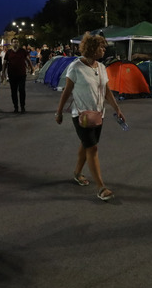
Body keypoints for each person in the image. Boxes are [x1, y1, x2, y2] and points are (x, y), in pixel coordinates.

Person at [54, 32, 125, 202]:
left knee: (86, 145)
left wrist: (117, 108)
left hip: (99, 114)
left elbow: (106, 91)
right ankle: (101, 187)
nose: (104, 50)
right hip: (81, 116)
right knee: (92, 148)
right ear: (92, 49)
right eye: (101, 47)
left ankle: (77, 173)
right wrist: (59, 112)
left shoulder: (101, 67)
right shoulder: (76, 67)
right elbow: (67, 90)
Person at [2, 38, 34, 113]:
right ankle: (15, 107)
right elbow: (5, 63)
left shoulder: (23, 51)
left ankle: (22, 106)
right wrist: (3, 72)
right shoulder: (9, 52)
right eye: (14, 42)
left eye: (17, 42)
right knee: (13, 92)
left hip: (22, 74)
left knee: (22, 90)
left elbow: (28, 60)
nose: (15, 43)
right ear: (11, 43)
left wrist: (31, 68)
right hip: (12, 75)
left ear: (18, 43)